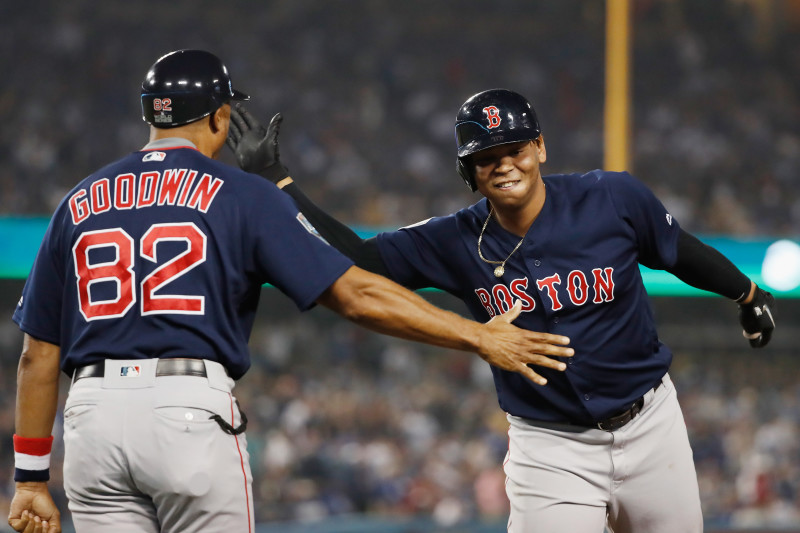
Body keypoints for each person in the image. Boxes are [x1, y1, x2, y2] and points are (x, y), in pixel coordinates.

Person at [8, 57, 575, 533]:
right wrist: (478, 335)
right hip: (184, 410)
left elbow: (38, 354)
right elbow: (354, 293)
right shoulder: (239, 194)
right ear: (220, 116)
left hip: (90, 420)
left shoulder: (78, 201)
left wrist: (31, 478)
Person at [227, 88, 777, 532]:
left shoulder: (611, 197)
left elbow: (681, 251)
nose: (503, 165)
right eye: (485, 158)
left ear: (539, 147)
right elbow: (360, 260)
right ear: (469, 173)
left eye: (514, 149)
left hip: (650, 425)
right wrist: (278, 183)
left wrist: (746, 295)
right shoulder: (454, 239)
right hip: (550, 445)